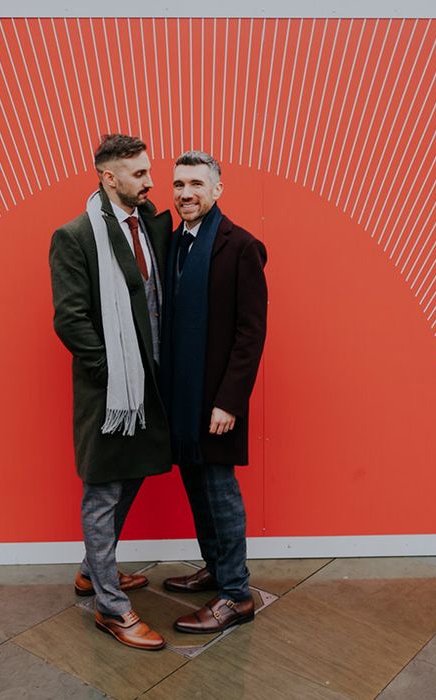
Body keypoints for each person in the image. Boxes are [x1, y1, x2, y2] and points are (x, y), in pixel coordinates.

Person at [49, 134, 172, 651]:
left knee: (134, 473)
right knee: (103, 490)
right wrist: (112, 373)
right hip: (111, 391)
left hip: (152, 383)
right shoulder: (75, 236)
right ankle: (110, 606)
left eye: (148, 171)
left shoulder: (148, 224)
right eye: (139, 174)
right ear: (108, 177)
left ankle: (90, 572)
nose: (150, 181)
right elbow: (69, 319)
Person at [159, 151, 268, 633]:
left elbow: (251, 333)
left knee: (220, 491)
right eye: (179, 184)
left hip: (217, 398)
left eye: (197, 185)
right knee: (196, 487)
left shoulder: (241, 246)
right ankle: (216, 567)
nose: (186, 193)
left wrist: (230, 400)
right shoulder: (172, 241)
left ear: (218, 190)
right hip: (181, 397)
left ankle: (236, 594)